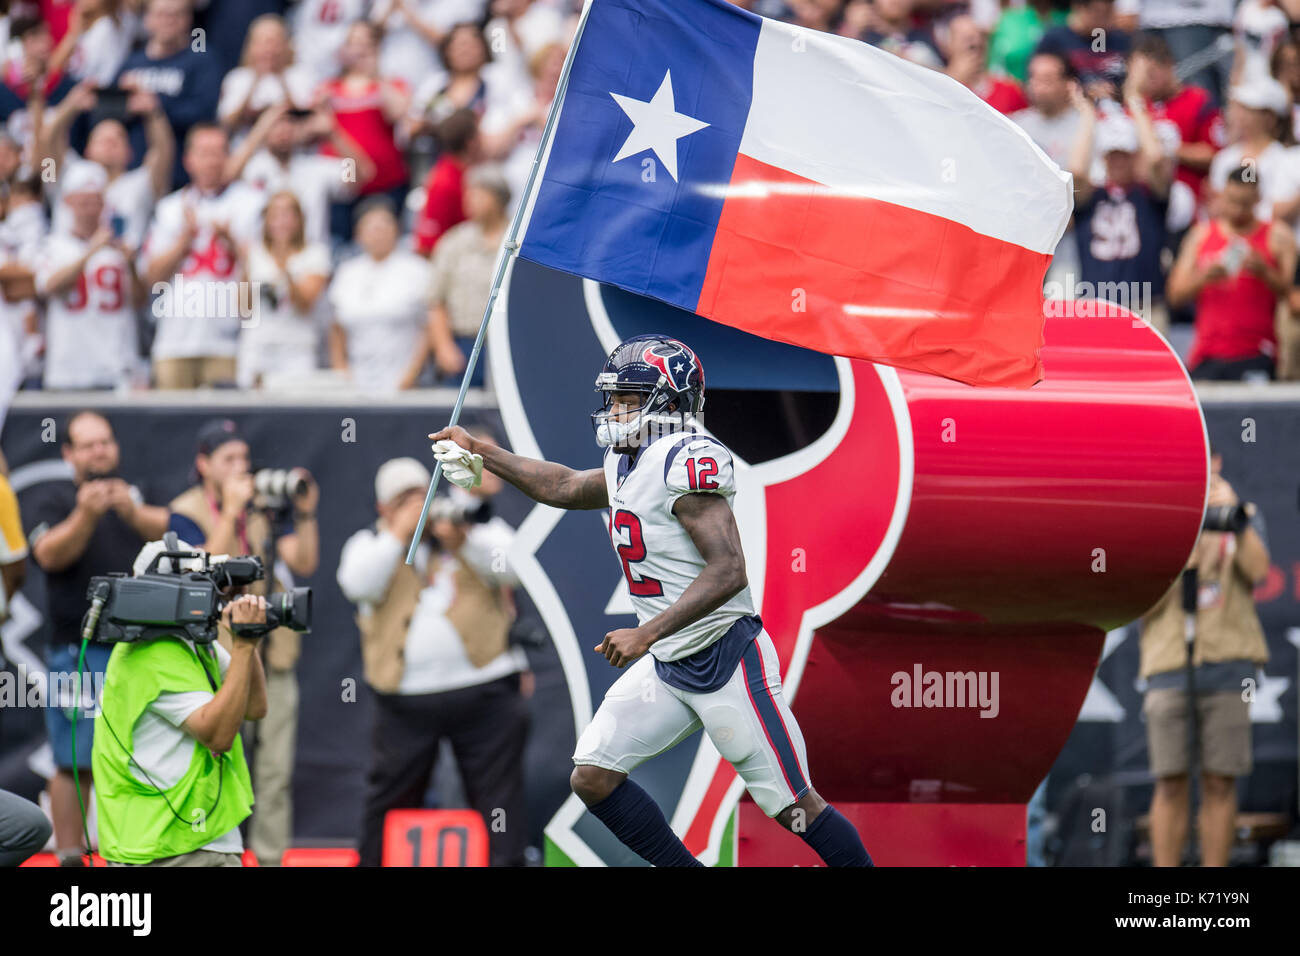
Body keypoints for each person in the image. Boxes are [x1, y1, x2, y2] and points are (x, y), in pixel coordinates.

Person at [429, 334, 873, 867]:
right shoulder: (629, 461)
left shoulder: (684, 460)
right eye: (614, 398)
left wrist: (647, 632)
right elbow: (566, 487)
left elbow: (729, 569)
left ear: (670, 400)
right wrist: (484, 453)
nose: (616, 409)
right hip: (669, 665)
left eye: (629, 398)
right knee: (592, 777)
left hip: (725, 659)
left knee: (797, 809)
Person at [338, 456, 531, 867]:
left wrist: (465, 541)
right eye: (403, 500)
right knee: (388, 798)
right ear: (383, 509)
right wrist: (399, 534)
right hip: (405, 700)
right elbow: (357, 584)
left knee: (500, 802)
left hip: (486, 688)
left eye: (420, 495)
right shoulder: (368, 544)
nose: (417, 505)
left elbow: (516, 567)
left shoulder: (466, 525)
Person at [166, 419, 319, 866]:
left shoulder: (264, 506)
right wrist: (232, 512)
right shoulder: (184, 510)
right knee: (213, 761)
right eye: (228, 459)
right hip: (213, 657)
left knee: (275, 772)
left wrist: (305, 511)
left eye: (244, 459)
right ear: (203, 464)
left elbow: (303, 561)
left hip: (272, 655)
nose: (240, 468)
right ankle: (209, 854)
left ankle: (270, 859)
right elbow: (201, 577)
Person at [24, 409, 169, 865]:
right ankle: (70, 855)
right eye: (88, 444)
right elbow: (47, 554)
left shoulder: (138, 491)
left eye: (104, 441)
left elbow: (173, 534)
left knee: (138, 753)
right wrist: (86, 513)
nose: (99, 450)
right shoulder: (56, 498)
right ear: (69, 454)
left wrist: (130, 510)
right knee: (74, 760)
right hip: (78, 650)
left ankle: (130, 849)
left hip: (139, 647)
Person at [93, 539, 268, 867]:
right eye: (199, 581)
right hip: (172, 845)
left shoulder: (191, 644)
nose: (211, 592)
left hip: (186, 838)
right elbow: (217, 734)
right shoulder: (154, 653)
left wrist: (248, 639)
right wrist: (243, 648)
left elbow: (255, 707)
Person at [1138, 454, 1270, 867]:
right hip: (1169, 663)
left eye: (1207, 461)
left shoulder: (1241, 512)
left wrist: (1236, 520)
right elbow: (1141, 601)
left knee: (1219, 780)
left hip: (1228, 661)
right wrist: (1179, 548)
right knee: (1169, 780)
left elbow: (1260, 572)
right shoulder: (1155, 518)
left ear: (1217, 463)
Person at [141, 122, 266, 389]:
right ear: (189, 160)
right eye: (204, 153)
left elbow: (264, 273)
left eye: (218, 152)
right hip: (174, 340)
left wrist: (232, 243)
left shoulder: (253, 204)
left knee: (227, 425)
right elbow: (152, 277)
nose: (212, 160)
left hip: (229, 340)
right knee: (172, 424)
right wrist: (184, 240)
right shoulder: (170, 208)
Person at [1167, 166, 1296, 381]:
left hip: (1257, 353)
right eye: (1232, 201)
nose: (1237, 210)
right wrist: (1203, 277)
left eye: (1244, 203)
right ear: (1222, 195)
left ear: (1258, 199)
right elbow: (1174, 295)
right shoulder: (1201, 235)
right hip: (1207, 354)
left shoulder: (1278, 236)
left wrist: (1265, 271)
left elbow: (1291, 295)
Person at [34, 161, 146, 389]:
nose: (89, 209)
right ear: (68, 202)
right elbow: (49, 286)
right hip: (68, 369)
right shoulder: (53, 246)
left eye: (94, 202)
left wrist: (131, 265)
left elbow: (140, 301)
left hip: (115, 367)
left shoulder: (120, 247)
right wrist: (91, 251)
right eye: (83, 202)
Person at [1067, 82, 1172, 326]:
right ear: (1103, 157)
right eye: (1112, 154)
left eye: (1124, 154)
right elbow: (1075, 171)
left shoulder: (1149, 196)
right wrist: (1088, 115)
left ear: (1135, 155)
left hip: (1145, 307)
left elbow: (1156, 160)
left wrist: (1137, 106)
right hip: (1096, 308)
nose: (1118, 162)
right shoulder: (1092, 198)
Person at [37, 77, 175, 250]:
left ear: (130, 153)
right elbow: (46, 142)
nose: (110, 142)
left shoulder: (141, 184)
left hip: (122, 269)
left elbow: (163, 152)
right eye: (102, 139)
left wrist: (153, 112)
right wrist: (71, 105)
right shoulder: (66, 173)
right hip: (66, 266)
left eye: (118, 138)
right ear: (87, 150)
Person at [226, 100, 375, 248]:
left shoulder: (316, 167)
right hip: (267, 261)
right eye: (275, 124)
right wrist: (259, 131)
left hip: (312, 260)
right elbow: (227, 176)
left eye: (289, 122)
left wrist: (334, 134)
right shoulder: (254, 166)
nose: (283, 129)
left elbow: (361, 172)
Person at [315, 19, 411, 241]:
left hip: (385, 183)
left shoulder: (390, 84)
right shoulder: (327, 88)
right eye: (353, 43)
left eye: (366, 43)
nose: (359, 49)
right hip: (343, 184)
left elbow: (398, 112)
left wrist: (375, 75)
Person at [114, 0, 223, 189]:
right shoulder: (132, 62)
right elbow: (107, 113)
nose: (169, 21)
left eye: (176, 14)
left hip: (179, 174)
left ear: (188, 19)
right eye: (162, 14)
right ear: (147, 19)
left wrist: (155, 105)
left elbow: (204, 112)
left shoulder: (201, 59)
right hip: (131, 172)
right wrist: (124, 104)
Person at [328, 199, 433, 391]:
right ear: (358, 234)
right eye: (371, 228)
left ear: (397, 230)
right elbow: (336, 327)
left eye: (384, 226)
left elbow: (428, 326)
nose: (378, 234)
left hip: (404, 378)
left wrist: (411, 375)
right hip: (356, 378)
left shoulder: (418, 270)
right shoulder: (347, 272)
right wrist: (341, 370)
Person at [235, 190, 331, 389]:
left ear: (299, 219)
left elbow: (305, 304)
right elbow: (243, 309)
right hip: (257, 348)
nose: (281, 221)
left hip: (297, 349)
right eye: (275, 214)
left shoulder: (315, 254)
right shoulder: (254, 253)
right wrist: (244, 267)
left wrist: (284, 268)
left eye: (288, 214)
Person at [426, 163, 507, 389]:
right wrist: (443, 347)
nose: (469, 200)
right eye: (469, 194)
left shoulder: (515, 242)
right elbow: (436, 300)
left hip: (505, 342)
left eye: (479, 194)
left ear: (498, 198)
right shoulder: (454, 242)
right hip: (463, 343)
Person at [217, 13, 316, 145]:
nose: (268, 49)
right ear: (251, 46)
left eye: (274, 42)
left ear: (286, 44)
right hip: (246, 152)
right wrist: (255, 81)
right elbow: (227, 124)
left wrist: (281, 78)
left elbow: (307, 120)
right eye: (262, 42)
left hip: (293, 153)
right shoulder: (237, 78)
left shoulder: (301, 75)